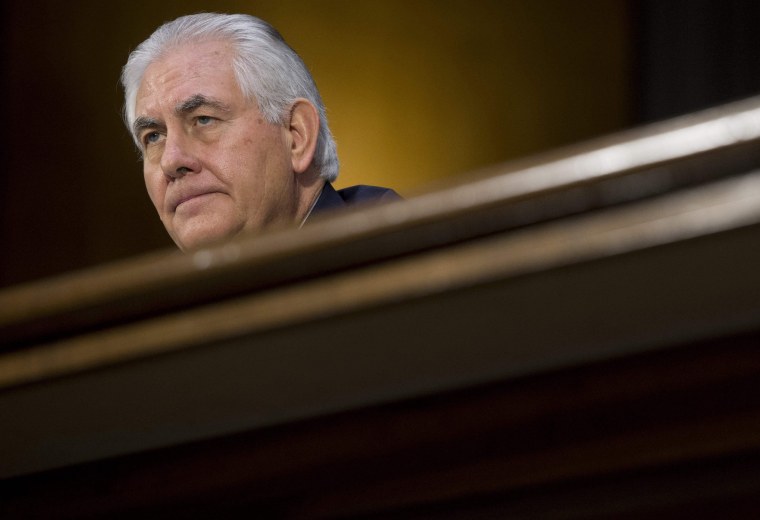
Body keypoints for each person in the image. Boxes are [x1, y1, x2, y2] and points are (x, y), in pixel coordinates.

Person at [121, 12, 399, 252]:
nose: (171, 161)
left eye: (204, 119)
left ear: (296, 135)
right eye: (154, 137)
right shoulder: (171, 306)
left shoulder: (396, 257)